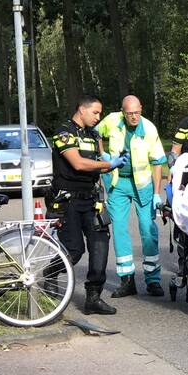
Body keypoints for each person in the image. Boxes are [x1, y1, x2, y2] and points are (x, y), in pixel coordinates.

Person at [49, 95, 128, 315]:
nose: (98, 117)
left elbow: (100, 163)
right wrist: (107, 163)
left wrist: (115, 162)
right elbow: (78, 163)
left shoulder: (94, 135)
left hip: (91, 199)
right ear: (81, 110)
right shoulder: (64, 132)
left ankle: (93, 297)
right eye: (95, 112)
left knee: (100, 245)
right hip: (68, 200)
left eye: (100, 113)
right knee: (74, 250)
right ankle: (50, 273)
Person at [97, 95, 167, 298]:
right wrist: (102, 154)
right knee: (119, 229)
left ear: (141, 109)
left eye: (137, 112)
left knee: (147, 229)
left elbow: (157, 163)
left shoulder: (149, 129)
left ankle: (153, 279)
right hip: (118, 183)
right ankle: (127, 279)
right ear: (123, 112)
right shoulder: (112, 120)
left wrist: (157, 193)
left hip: (143, 185)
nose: (134, 117)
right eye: (129, 113)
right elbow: (95, 132)